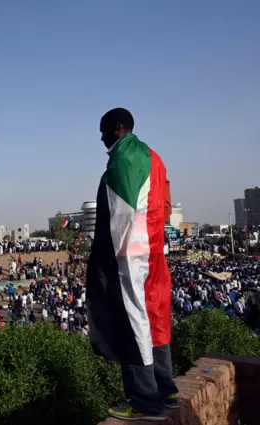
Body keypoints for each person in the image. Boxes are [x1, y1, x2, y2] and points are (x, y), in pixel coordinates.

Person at [86, 108, 177, 421]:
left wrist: (109, 263)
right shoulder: (154, 156)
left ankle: (145, 400)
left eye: (104, 130)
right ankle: (166, 389)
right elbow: (164, 205)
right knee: (154, 317)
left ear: (118, 127)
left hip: (131, 254)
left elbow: (120, 215)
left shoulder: (124, 158)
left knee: (132, 320)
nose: (101, 137)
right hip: (153, 251)